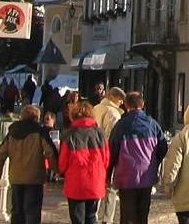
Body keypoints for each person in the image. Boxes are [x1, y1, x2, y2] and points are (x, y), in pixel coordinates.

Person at [0, 105, 58, 224]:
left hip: (16, 177)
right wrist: (57, 169)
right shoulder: (40, 131)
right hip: (34, 178)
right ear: (36, 117)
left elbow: (0, 153)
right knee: (32, 211)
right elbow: (50, 152)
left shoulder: (13, 131)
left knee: (17, 211)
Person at [109, 91, 168, 224]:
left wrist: (108, 174)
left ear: (126, 105)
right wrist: (154, 162)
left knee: (127, 216)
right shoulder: (153, 125)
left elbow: (112, 150)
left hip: (126, 176)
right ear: (143, 104)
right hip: (147, 176)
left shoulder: (121, 126)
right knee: (143, 216)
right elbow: (163, 147)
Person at [59, 101, 110, 224]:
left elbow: (63, 161)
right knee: (91, 216)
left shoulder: (69, 135)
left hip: (75, 182)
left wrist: (61, 172)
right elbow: (106, 159)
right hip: (95, 181)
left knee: (77, 218)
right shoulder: (100, 134)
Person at [93, 87, 126, 224]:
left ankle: (93, 216)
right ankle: (107, 219)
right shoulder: (113, 114)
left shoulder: (96, 108)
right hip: (107, 154)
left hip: (95, 153)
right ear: (112, 97)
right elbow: (113, 138)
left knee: (96, 186)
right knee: (110, 189)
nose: (121, 102)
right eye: (120, 99)